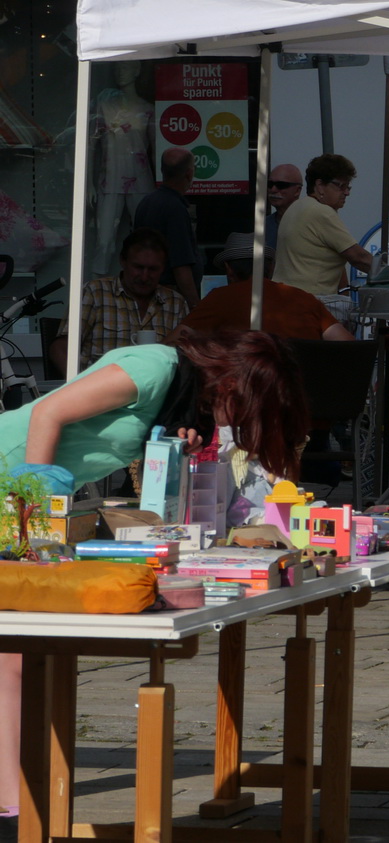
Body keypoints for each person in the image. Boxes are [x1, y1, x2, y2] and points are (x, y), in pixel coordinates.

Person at [0, 329, 311, 819]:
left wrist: (170, 444)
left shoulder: (180, 397)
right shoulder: (154, 367)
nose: (239, 426)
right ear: (232, 386)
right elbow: (47, 412)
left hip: (25, 502)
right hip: (16, 487)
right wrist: (35, 523)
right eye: (248, 412)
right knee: (17, 649)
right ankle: (17, 796)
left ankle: (14, 796)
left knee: (16, 654)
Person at [51, 229, 190, 375]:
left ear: (163, 268)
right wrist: (81, 386)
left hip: (157, 392)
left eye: (153, 269)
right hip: (101, 391)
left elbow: (189, 356)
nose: (144, 276)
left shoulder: (175, 303)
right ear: (123, 261)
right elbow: (60, 349)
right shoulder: (95, 293)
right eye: (138, 267)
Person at [179, 234, 353, 341]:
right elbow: (347, 344)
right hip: (298, 395)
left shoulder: (218, 299)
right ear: (270, 268)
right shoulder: (305, 300)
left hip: (245, 397)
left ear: (228, 270)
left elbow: (173, 343)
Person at [274, 154, 374, 298]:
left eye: (348, 187)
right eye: (341, 186)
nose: (346, 192)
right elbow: (359, 257)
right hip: (309, 303)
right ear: (320, 186)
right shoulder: (322, 212)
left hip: (282, 299)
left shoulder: (296, 207)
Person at [130, 146, 202, 306]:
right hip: (170, 298)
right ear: (189, 174)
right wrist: (196, 308)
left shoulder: (147, 202)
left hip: (148, 294)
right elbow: (181, 265)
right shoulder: (175, 208)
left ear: (162, 171)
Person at [265, 162, 303, 249]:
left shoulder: (311, 222)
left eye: (281, 185)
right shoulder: (263, 226)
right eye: (270, 184)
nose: (273, 189)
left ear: (297, 191)